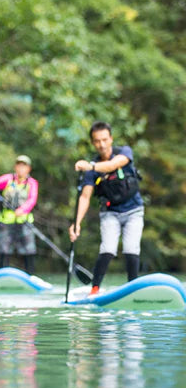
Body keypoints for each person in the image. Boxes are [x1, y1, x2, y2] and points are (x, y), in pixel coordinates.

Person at [69, 121, 143, 295]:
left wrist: (90, 166)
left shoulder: (124, 152)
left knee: (131, 248)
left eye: (104, 139)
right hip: (110, 213)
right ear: (93, 143)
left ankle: (133, 290)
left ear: (111, 138)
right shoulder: (91, 169)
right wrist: (76, 223)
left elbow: (112, 165)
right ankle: (94, 290)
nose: (101, 144)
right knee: (108, 248)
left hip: (134, 210)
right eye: (97, 141)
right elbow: (85, 196)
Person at [0, 155, 39, 274]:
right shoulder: (8, 179)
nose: (21, 168)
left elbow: (32, 200)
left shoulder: (32, 183)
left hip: (24, 221)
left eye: (24, 166)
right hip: (6, 221)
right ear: (15, 167)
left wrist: (23, 209)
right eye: (19, 165)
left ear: (29, 169)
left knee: (28, 251)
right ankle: (2, 275)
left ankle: (30, 275)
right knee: (4, 250)